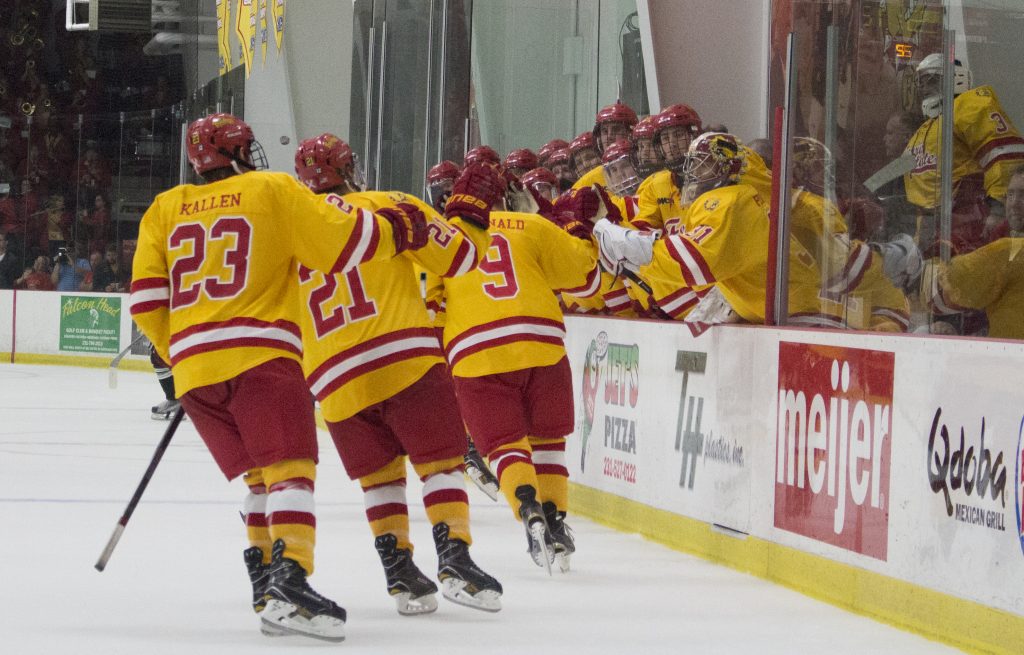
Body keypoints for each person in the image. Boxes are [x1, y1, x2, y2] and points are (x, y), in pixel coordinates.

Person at [129, 113, 429, 641]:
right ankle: (290, 584)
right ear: (236, 154)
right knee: (291, 471)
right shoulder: (271, 188)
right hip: (262, 359)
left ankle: (266, 580)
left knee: (259, 479)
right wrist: (399, 229)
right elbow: (341, 242)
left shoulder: (164, 208)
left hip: (196, 374)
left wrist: (186, 356)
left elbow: (148, 302)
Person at [293, 133, 503, 614]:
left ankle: (400, 573)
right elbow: (460, 258)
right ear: (349, 170)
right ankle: (455, 559)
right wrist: (470, 213)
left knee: (380, 479)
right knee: (441, 464)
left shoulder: (292, 232)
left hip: (334, 378)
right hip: (403, 357)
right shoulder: (387, 204)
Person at [430, 178, 602, 574]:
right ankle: (555, 519)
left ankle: (528, 507)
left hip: (476, 352)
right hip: (541, 340)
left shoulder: (444, 235)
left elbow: (428, 302)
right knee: (548, 440)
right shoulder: (533, 225)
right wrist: (580, 228)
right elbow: (586, 277)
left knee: (506, 444)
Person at [594, 132, 844, 330]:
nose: (692, 173)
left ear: (728, 168)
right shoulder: (746, 199)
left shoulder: (731, 201)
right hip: (796, 316)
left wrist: (616, 237)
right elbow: (736, 272)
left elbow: (691, 261)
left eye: (703, 165)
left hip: (801, 321)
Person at [903, 54, 1024, 256]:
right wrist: (869, 185)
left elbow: (1004, 154)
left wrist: (998, 209)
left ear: (957, 77)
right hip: (931, 230)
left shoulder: (967, 105)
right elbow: (898, 170)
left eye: (931, 80)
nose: (924, 88)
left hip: (968, 222)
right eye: (921, 83)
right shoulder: (924, 130)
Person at [924, 166, 1024, 339]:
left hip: (1010, 354)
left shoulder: (1007, 250)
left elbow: (955, 287)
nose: (1014, 203)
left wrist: (920, 271)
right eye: (1010, 195)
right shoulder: (1001, 242)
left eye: (1023, 195)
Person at [571, 102, 639, 191]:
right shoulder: (587, 182)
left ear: (631, 132)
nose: (609, 136)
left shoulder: (646, 170)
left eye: (616, 129)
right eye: (605, 131)